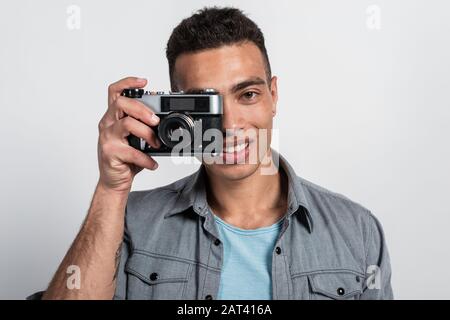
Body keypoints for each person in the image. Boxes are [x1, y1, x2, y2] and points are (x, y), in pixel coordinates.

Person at [32, 6, 393, 300]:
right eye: (207, 106)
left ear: (274, 96)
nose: (229, 125)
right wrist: (110, 191)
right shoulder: (128, 224)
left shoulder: (357, 231)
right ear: (175, 108)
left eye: (247, 95)